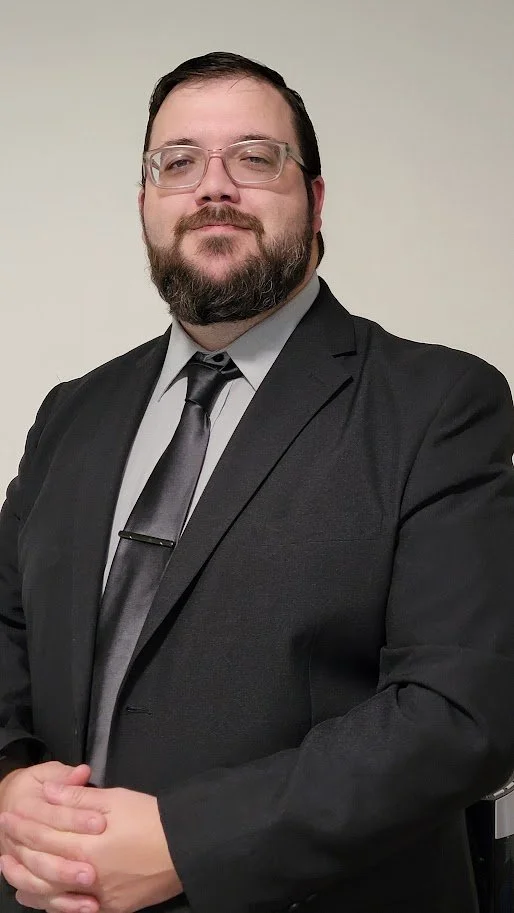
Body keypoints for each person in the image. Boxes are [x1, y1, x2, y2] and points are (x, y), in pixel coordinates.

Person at [0, 51, 513, 913]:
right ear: (145, 203)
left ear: (315, 198)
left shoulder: (438, 403)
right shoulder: (72, 411)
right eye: (178, 162)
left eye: (254, 157)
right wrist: (9, 780)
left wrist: (187, 843)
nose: (214, 187)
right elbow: (6, 624)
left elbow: (461, 712)